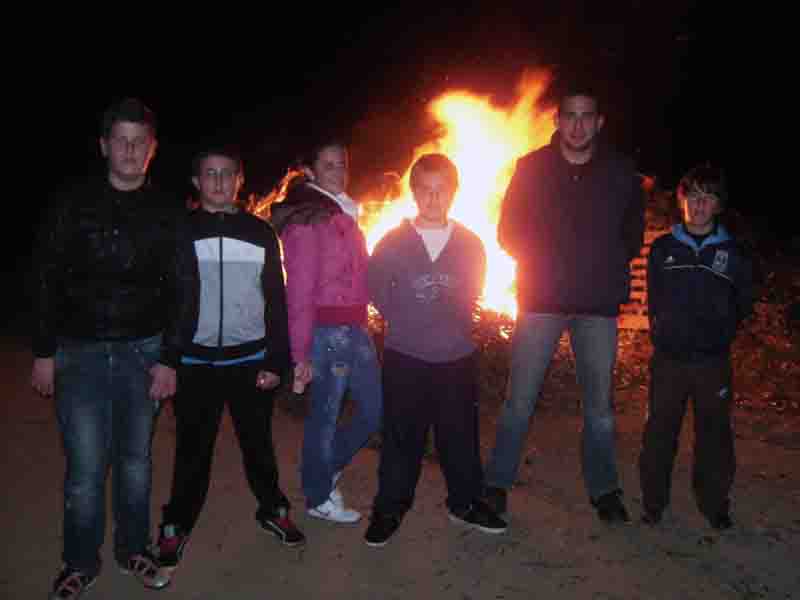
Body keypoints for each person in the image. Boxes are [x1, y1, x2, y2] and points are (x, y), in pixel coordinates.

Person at [31, 98, 177, 599]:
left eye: (140, 141)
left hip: (144, 351)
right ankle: (79, 561)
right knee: (86, 468)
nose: (131, 149)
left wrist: (169, 359)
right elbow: (46, 275)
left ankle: (133, 548)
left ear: (152, 150)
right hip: (80, 352)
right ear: (104, 146)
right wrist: (45, 351)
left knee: (137, 462)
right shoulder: (72, 203)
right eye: (121, 140)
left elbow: (182, 287)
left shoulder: (166, 209)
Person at [483, 85, 644, 522]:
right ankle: (496, 483)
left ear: (599, 122)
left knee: (600, 409)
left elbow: (632, 233)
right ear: (557, 121)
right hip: (542, 300)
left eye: (585, 116)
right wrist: (546, 264)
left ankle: (605, 489)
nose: (577, 125)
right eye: (569, 116)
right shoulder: (532, 168)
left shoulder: (620, 171)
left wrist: (604, 263)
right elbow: (508, 230)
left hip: (597, 305)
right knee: (519, 401)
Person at [154, 148, 304, 574]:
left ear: (239, 180)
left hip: (250, 359)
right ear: (197, 182)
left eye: (227, 174)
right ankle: (176, 523)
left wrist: (277, 358)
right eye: (210, 174)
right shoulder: (180, 231)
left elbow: (277, 299)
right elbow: (165, 298)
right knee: (192, 450)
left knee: (258, 444)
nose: (218, 182)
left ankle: (272, 508)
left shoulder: (259, 234)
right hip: (195, 362)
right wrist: (167, 356)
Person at [363, 154, 507, 547]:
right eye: (425, 189)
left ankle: (465, 502)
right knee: (400, 437)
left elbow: (474, 290)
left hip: (455, 357)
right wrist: (403, 319)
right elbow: (375, 287)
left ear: (454, 192)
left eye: (441, 189)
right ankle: (391, 506)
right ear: (413, 192)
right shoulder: (393, 242)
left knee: (459, 436)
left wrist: (453, 325)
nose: (432, 197)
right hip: (405, 356)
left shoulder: (469, 244)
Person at [270, 140, 382, 523]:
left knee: (373, 410)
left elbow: (357, 275)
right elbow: (298, 290)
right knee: (326, 415)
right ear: (312, 171)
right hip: (324, 330)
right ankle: (319, 495)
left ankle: (322, 469)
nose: (338, 171)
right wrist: (299, 354)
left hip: (353, 324)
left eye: (342, 164)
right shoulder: (307, 218)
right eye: (329, 165)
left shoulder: (343, 212)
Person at [639, 165, 753, 530]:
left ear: (718, 205)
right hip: (669, 360)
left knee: (714, 434)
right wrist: (663, 331)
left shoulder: (732, 253)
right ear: (681, 200)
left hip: (711, 361)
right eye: (693, 196)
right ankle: (653, 502)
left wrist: (720, 332)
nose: (700, 204)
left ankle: (714, 503)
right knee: (659, 432)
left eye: (708, 197)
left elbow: (743, 302)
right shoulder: (663, 248)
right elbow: (653, 299)